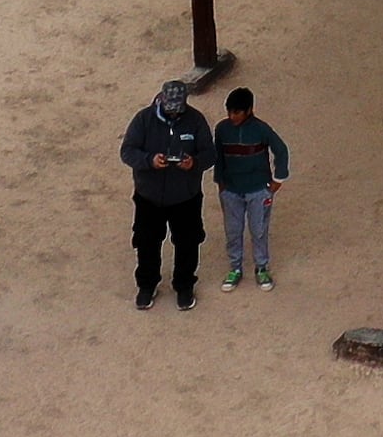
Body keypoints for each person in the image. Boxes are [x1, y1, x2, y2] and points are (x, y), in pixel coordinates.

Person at [120, 81, 212, 310]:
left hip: (186, 198)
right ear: (160, 99)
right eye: (169, 106)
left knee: (188, 243)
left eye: (177, 108)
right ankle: (147, 286)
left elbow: (209, 153)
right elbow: (127, 151)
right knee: (146, 242)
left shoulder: (196, 120)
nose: (172, 112)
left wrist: (194, 163)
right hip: (149, 197)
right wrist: (149, 161)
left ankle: (184, 286)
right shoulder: (143, 120)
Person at [211, 85, 291, 288]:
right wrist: (220, 182)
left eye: (236, 112)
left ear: (249, 110)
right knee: (233, 230)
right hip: (231, 190)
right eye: (229, 111)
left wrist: (277, 180)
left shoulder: (261, 129)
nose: (231, 116)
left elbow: (281, 150)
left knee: (259, 229)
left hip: (257, 189)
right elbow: (218, 157)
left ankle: (261, 267)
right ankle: (235, 267)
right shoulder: (222, 129)